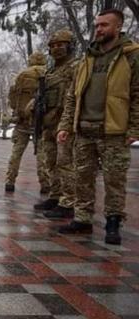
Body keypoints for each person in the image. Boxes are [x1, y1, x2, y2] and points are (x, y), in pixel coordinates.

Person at [56, 9, 138, 245]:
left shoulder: (131, 56)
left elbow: (137, 94)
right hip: (84, 130)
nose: (99, 29)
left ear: (118, 26)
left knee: (114, 179)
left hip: (113, 131)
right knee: (83, 177)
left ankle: (113, 222)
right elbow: (73, 95)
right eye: (97, 25)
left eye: (104, 25)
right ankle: (82, 219)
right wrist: (66, 125)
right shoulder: (88, 58)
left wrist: (134, 128)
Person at [33, 30, 79, 217]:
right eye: (53, 46)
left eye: (61, 45)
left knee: (65, 163)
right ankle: (56, 194)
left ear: (70, 46)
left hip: (64, 124)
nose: (56, 49)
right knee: (49, 162)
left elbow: (75, 96)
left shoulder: (75, 67)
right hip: (48, 123)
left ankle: (69, 201)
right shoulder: (50, 71)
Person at [5, 52, 48, 193]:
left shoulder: (22, 75)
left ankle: (10, 181)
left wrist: (18, 111)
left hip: (22, 120)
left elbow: (13, 98)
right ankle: (45, 184)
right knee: (43, 154)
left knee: (16, 153)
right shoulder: (49, 74)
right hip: (42, 121)